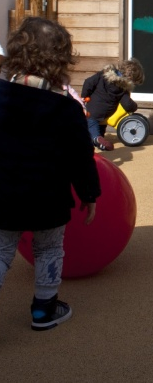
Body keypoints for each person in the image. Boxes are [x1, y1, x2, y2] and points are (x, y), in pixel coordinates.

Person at [0, 17, 101, 331]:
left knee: (1, 251)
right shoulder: (66, 108)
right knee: (48, 249)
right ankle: (44, 310)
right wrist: (89, 194)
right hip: (47, 198)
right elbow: (81, 156)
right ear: (60, 62)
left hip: (3, 194)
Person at [81, 58, 145, 151]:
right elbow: (127, 104)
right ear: (130, 79)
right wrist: (134, 107)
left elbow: (88, 82)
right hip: (107, 112)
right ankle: (99, 140)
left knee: (91, 124)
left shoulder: (103, 75)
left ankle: (97, 139)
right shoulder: (123, 89)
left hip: (92, 108)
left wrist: (84, 95)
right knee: (99, 126)